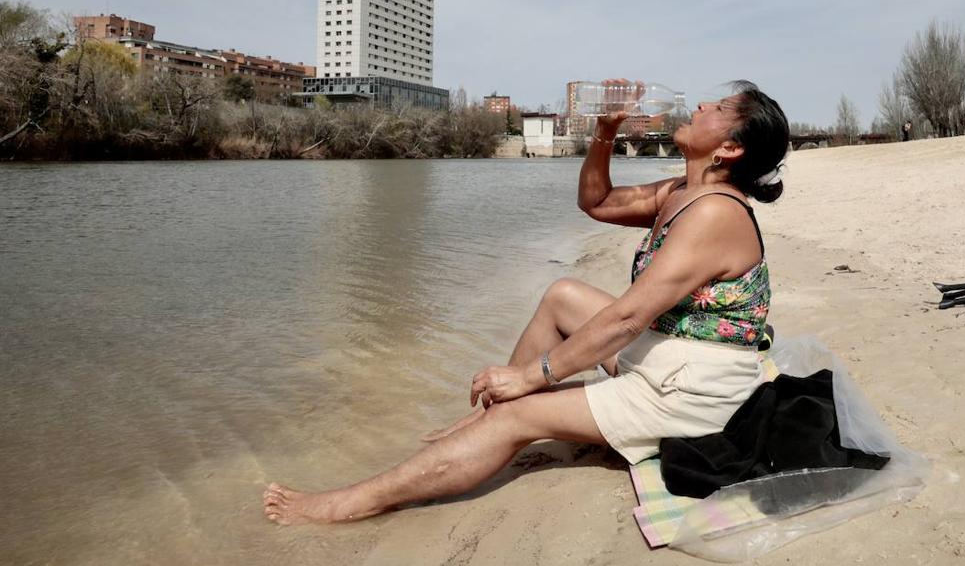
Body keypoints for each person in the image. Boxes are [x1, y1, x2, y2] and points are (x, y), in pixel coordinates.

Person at [263, 80, 791, 525]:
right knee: (562, 293)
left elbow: (630, 315)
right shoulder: (681, 190)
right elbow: (598, 202)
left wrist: (534, 375)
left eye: (718, 110)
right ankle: (487, 423)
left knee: (516, 417)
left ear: (730, 148)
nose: (700, 106)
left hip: (691, 390)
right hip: (671, 354)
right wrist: (604, 136)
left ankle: (349, 503)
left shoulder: (715, 214)